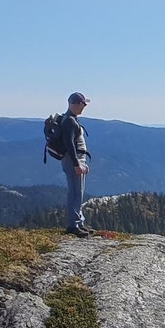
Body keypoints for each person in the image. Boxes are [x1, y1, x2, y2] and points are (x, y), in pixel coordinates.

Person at [59, 91, 93, 236]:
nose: (84, 107)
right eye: (83, 104)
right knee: (75, 192)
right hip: (74, 160)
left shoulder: (69, 119)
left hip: (77, 160)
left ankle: (79, 222)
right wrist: (76, 164)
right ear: (77, 104)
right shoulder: (70, 122)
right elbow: (69, 144)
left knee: (78, 192)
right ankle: (73, 225)